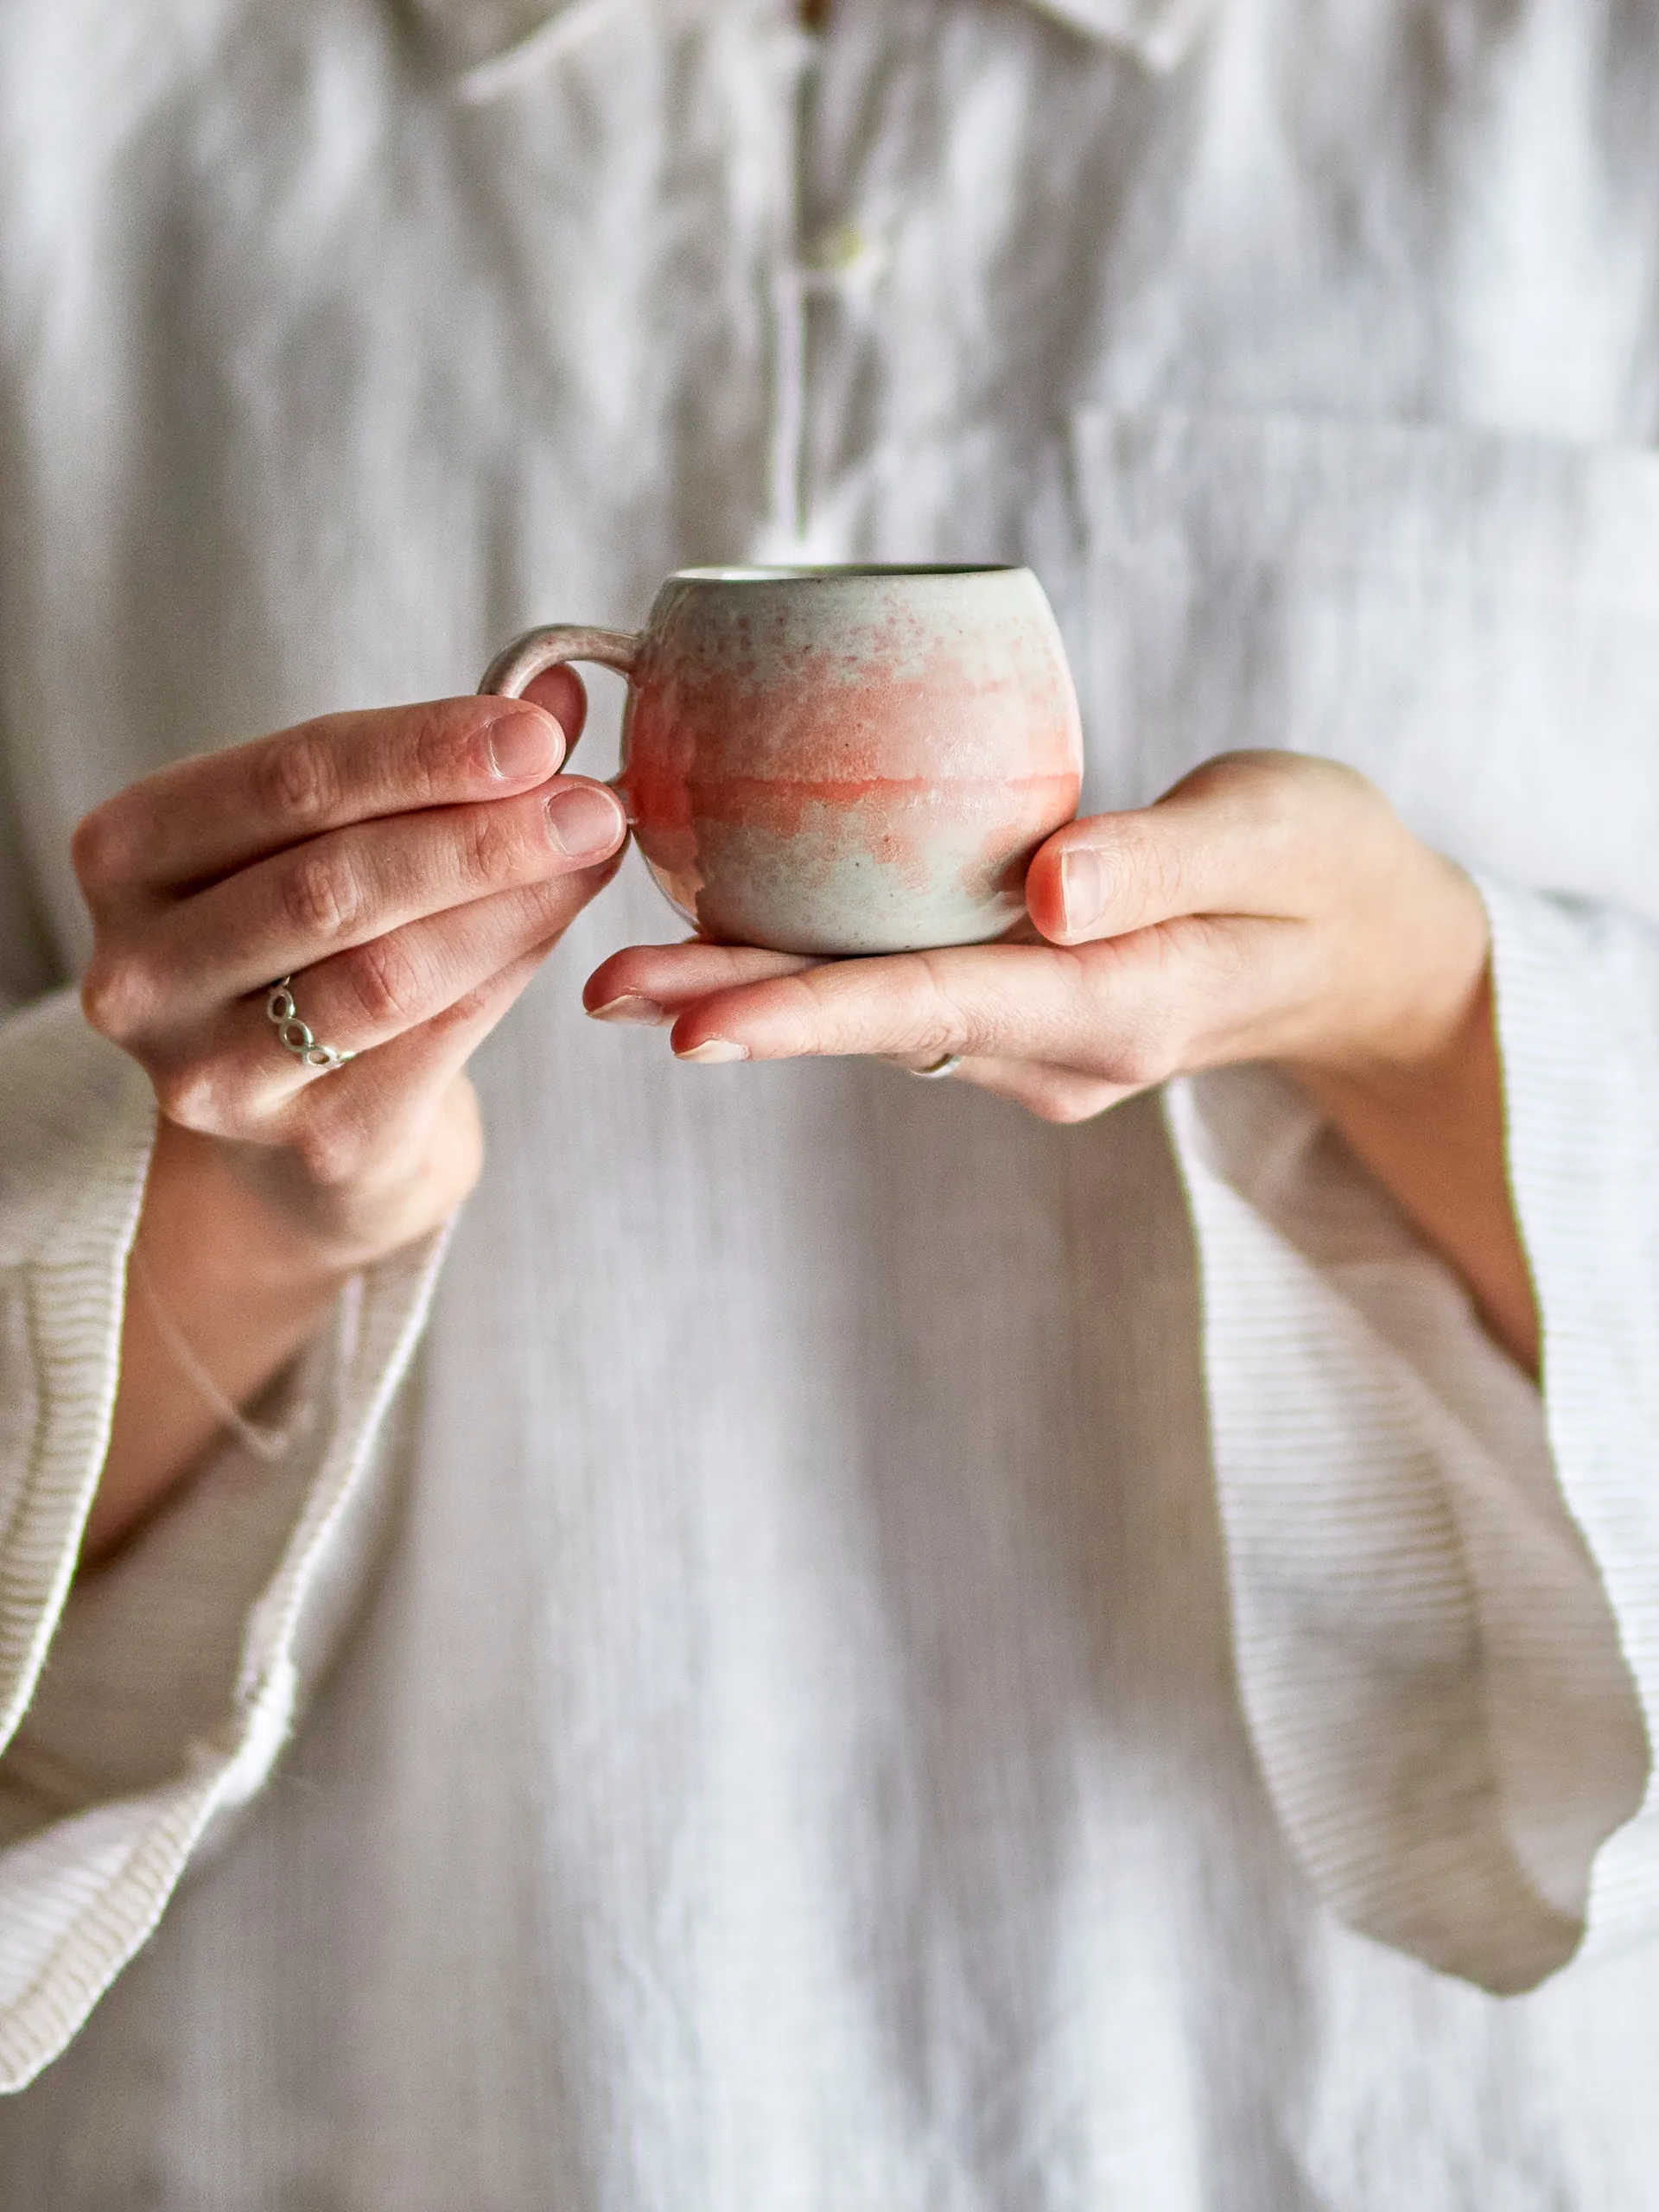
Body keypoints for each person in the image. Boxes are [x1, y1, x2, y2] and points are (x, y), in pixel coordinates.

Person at [0, 0, 1656, 2199]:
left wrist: (1419, 1006)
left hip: (1315, 2101)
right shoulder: (88, 102)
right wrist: (256, 1196)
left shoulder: (1576, 86)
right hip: (424, 2076)